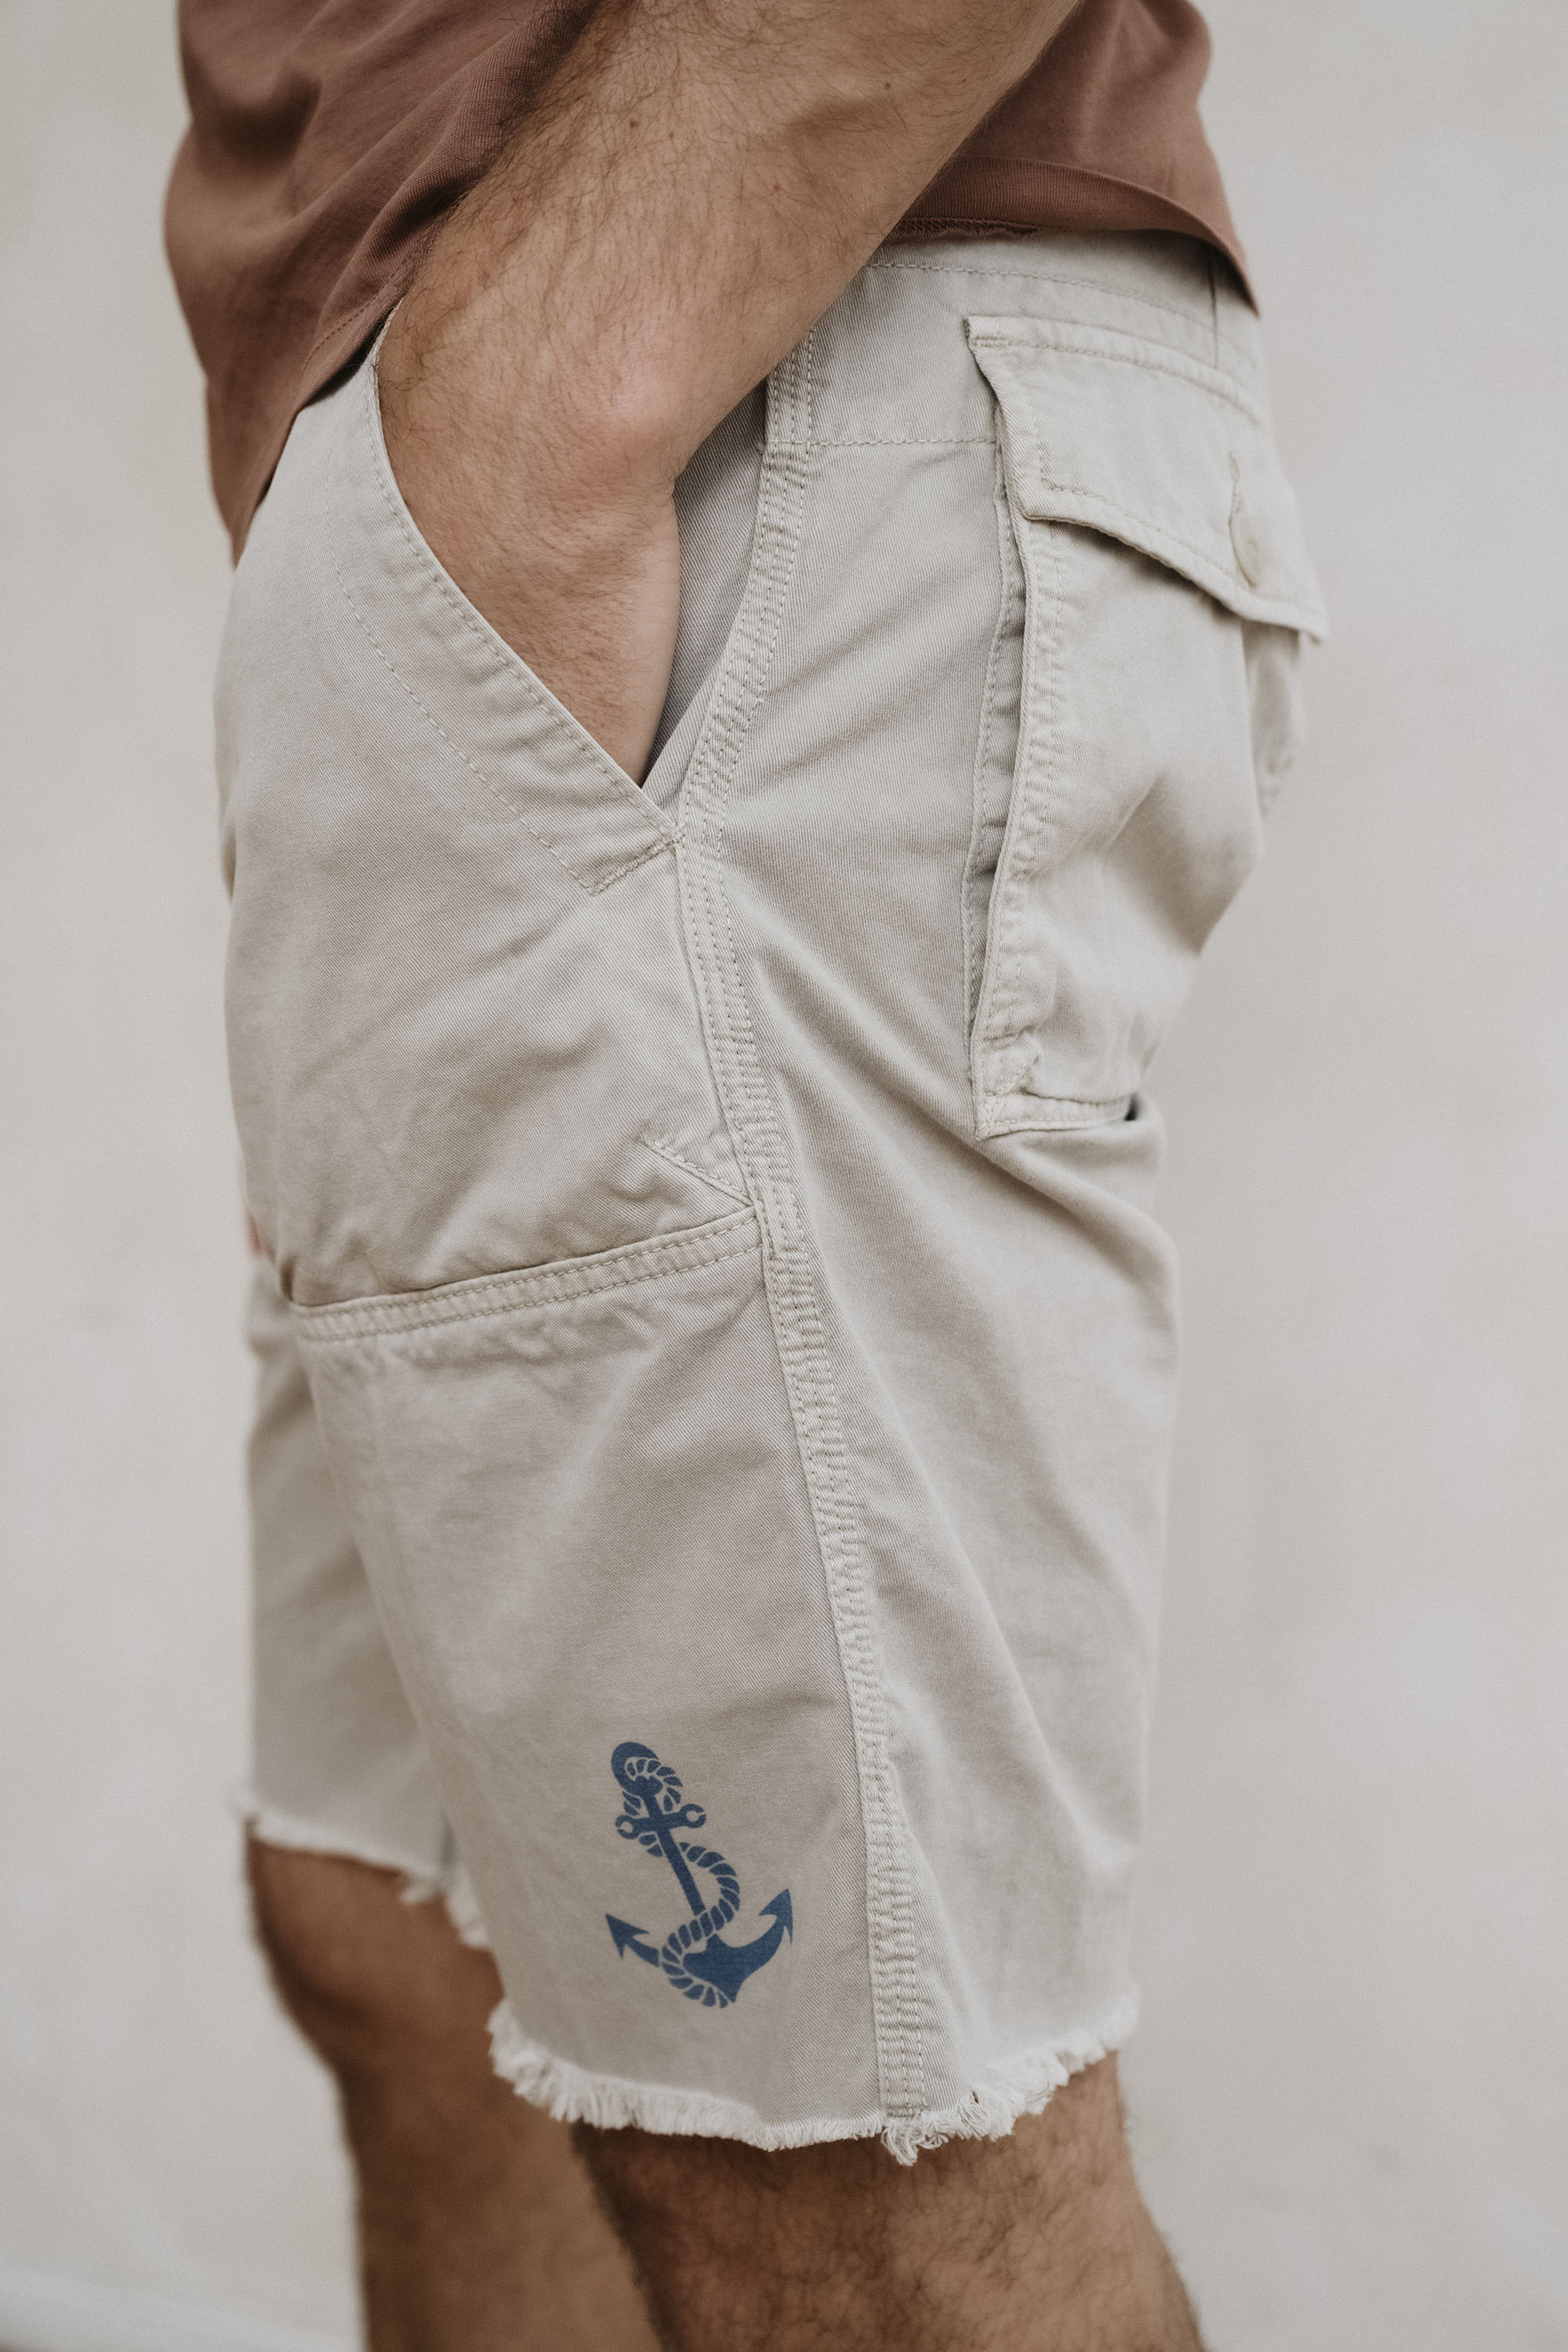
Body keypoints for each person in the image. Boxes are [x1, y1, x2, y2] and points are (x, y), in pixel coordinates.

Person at [167, 2, 1324, 2344]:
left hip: (715, 431)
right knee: (399, 1932)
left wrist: (551, 401)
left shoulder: (575, 429)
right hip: (478, 520)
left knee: (849, 2171)